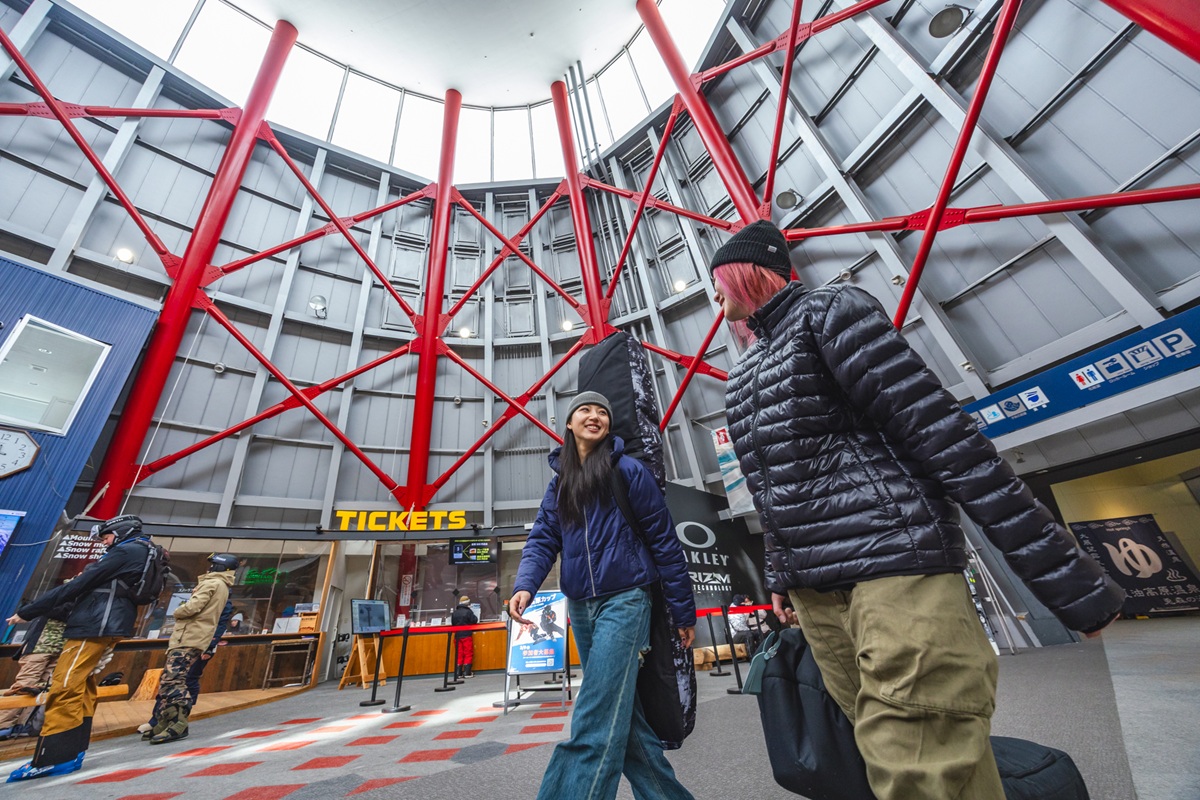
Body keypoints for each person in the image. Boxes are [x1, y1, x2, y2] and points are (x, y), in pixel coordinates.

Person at [710, 220, 1125, 800]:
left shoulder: (831, 311)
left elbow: (942, 434)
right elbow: (774, 487)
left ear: (748, 271)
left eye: (718, 279)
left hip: (894, 565)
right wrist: (781, 572)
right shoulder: (744, 374)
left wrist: (1071, 584)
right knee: (906, 761)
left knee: (918, 761)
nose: (713, 295)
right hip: (816, 595)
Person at [509, 391, 697, 800]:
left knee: (595, 712)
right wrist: (525, 585)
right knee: (622, 716)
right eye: (585, 410)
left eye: (602, 412)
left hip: (626, 599)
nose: (594, 416)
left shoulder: (628, 470)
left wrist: (683, 612)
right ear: (569, 422)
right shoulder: (560, 483)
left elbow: (665, 542)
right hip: (580, 606)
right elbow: (543, 539)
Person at [4, 515, 160, 781]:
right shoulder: (146, 551)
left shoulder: (126, 550)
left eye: (106, 537)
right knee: (83, 685)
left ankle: (53, 758)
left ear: (120, 533)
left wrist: (29, 611)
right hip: (109, 623)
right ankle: (73, 751)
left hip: (94, 624)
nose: (104, 543)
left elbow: (79, 584)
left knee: (65, 685)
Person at [145, 552, 238, 744]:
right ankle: (165, 720)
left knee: (174, 679)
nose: (209, 567)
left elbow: (193, 607)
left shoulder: (212, 583)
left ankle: (178, 723)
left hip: (189, 636)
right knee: (173, 678)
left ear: (219, 567)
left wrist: (178, 611)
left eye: (213, 564)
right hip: (196, 637)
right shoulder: (222, 585)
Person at [0, 594, 72, 738]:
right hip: (40, 646)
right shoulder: (59, 596)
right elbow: (43, 607)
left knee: (44, 687)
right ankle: (4, 724)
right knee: (24, 684)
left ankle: (24, 724)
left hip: (62, 648)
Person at [725, 593, 764, 658]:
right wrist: (749, 630)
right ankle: (752, 657)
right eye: (743, 603)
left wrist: (750, 607)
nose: (744, 604)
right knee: (748, 634)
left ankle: (761, 653)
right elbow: (738, 627)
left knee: (758, 632)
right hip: (735, 636)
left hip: (744, 631)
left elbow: (764, 614)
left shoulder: (741, 609)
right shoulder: (732, 611)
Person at [450, 595, 477, 678]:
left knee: (459, 654)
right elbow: (474, 620)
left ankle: (458, 673)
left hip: (457, 636)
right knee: (468, 653)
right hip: (466, 635)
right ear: (467, 603)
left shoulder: (455, 612)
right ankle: (467, 672)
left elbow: (453, 624)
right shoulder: (468, 612)